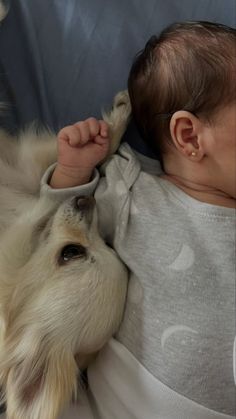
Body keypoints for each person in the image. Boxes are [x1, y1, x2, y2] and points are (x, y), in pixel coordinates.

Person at [41, 21, 236, 419]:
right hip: (127, 399)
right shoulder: (132, 191)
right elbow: (56, 234)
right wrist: (73, 171)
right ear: (190, 137)